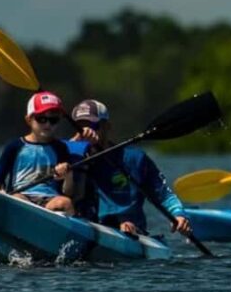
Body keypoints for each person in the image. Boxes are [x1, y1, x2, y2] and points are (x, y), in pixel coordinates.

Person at [68, 99, 192, 236]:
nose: (85, 133)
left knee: (125, 224)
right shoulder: (68, 155)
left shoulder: (134, 158)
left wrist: (178, 214)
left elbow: (163, 194)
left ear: (107, 126)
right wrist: (73, 148)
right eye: (79, 128)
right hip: (85, 226)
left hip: (129, 231)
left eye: (92, 126)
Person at [0, 91, 75, 216]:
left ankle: (47, 225)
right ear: (29, 120)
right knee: (17, 199)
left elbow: (68, 192)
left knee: (65, 203)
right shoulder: (14, 146)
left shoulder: (60, 148)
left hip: (50, 202)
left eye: (53, 120)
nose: (47, 124)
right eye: (41, 119)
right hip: (22, 198)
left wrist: (68, 176)